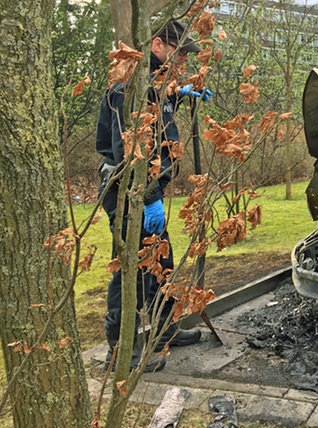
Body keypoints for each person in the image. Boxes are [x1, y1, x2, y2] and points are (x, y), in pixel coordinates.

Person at [96, 19, 211, 371]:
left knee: (161, 262)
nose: (183, 63)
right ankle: (122, 352)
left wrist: (178, 94)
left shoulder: (155, 84)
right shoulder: (128, 87)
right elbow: (128, 149)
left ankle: (164, 331)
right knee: (131, 268)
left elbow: (157, 122)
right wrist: (148, 197)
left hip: (146, 191)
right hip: (128, 191)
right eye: (179, 53)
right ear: (158, 45)